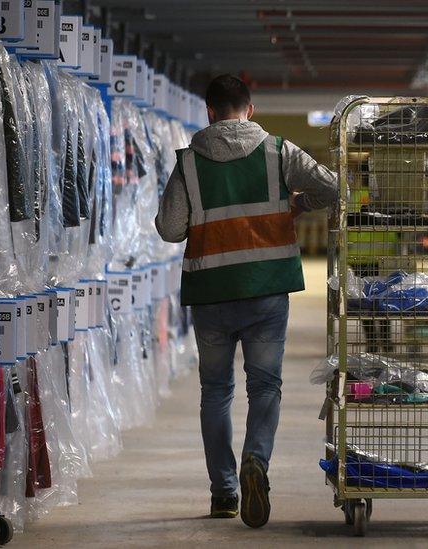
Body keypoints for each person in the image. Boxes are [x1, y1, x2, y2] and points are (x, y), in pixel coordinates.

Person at [155, 74, 339, 527]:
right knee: (265, 387)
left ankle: (223, 492)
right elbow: (334, 187)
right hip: (266, 290)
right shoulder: (279, 152)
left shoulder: (189, 163)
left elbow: (170, 229)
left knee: (215, 392)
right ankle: (256, 461)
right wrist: (295, 204)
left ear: (210, 112)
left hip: (212, 295)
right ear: (250, 110)